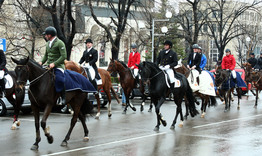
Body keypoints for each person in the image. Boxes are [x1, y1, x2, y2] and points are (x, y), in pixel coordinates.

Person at [39, 26, 67, 105]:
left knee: (60, 80)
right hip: (48, 66)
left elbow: (63, 56)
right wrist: (41, 62)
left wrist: (54, 64)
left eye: (46, 35)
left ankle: (63, 96)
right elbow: (46, 55)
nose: (45, 36)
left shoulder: (60, 43)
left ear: (50, 35)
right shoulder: (47, 43)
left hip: (58, 66)